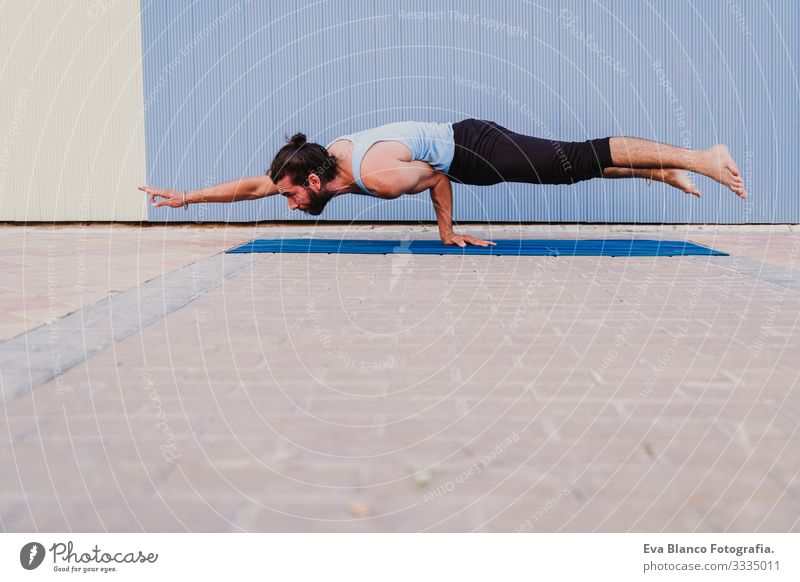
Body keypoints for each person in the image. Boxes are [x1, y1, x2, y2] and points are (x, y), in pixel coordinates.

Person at [139, 119, 746, 247]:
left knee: (572, 158)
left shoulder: (374, 176)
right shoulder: (320, 172)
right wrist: (185, 197)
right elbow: (250, 188)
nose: (289, 200)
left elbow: (437, 175)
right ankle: (663, 169)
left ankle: (699, 156)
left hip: (472, 150)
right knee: (566, 173)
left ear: (314, 178)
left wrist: (449, 232)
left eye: (292, 192)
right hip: (465, 148)